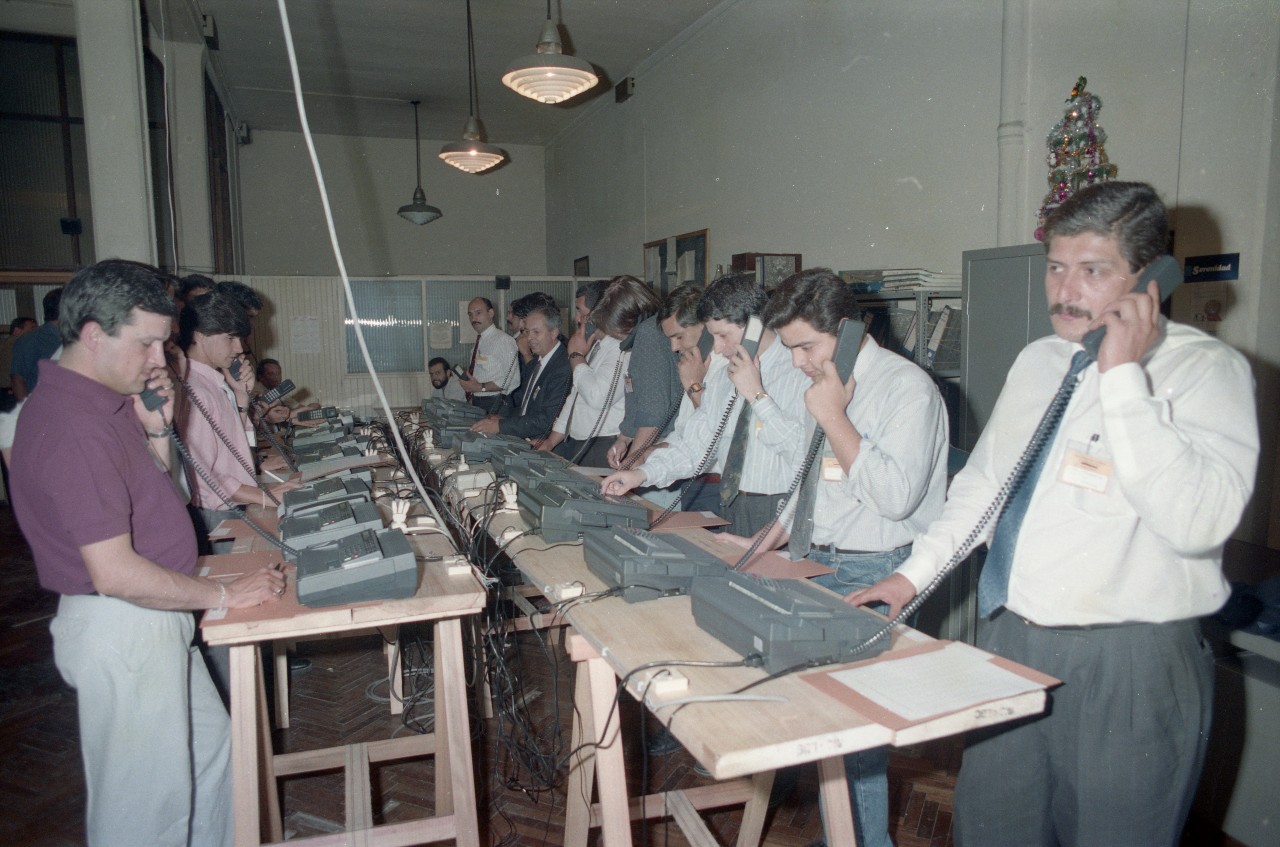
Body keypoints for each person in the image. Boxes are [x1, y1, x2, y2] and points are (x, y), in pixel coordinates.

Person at [852, 182, 1259, 847]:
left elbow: (1197, 523)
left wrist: (1124, 376)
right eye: (1057, 266)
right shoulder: (1039, 362)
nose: (1065, 289)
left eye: (1092, 269)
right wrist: (911, 577)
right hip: (1015, 641)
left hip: (1129, 661)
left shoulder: (1205, 373)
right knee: (991, 829)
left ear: (1150, 277)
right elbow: (983, 487)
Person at [9, 258, 285, 846]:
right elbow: (114, 573)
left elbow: (161, 494)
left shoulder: (104, 405)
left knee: (214, 761)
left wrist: (159, 430)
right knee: (146, 809)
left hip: (155, 617)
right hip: (126, 625)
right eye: (148, 344)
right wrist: (223, 593)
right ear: (92, 335)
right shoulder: (71, 425)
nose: (161, 361)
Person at [739, 268, 950, 847]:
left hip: (873, 572)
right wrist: (767, 540)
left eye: (807, 346)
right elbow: (811, 483)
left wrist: (833, 416)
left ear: (850, 330)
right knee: (822, 719)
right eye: (790, 349)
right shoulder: (829, 379)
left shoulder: (907, 389)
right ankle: (842, 834)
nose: (800, 361)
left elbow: (894, 497)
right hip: (816, 560)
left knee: (857, 733)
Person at [602, 272, 808, 536]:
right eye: (713, 337)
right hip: (732, 503)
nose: (719, 348)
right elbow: (694, 445)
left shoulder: (797, 371)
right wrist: (640, 475)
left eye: (723, 336)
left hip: (780, 510)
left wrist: (757, 396)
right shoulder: (726, 378)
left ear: (755, 325)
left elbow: (803, 455)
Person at [177, 291, 296, 549]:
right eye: (230, 338)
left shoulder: (214, 383)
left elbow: (237, 446)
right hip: (215, 515)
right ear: (200, 335)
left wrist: (241, 397)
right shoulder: (194, 390)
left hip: (233, 502)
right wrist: (265, 496)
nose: (239, 348)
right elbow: (205, 476)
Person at [600, 276, 683, 472]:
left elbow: (653, 413)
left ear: (633, 319)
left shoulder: (648, 335)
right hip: (658, 445)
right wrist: (624, 439)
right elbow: (640, 399)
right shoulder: (653, 331)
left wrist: (631, 462)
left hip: (659, 452)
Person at [657, 283, 728, 512]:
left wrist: (694, 385)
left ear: (704, 327)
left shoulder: (727, 365)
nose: (674, 347)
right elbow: (685, 431)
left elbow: (719, 431)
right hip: (692, 480)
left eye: (678, 336)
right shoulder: (695, 364)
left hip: (717, 486)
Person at [539, 280, 626, 466]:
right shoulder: (595, 347)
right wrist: (551, 441)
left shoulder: (620, 349)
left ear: (599, 313)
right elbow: (575, 398)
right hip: (580, 441)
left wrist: (576, 356)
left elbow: (597, 397)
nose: (578, 319)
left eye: (580, 311)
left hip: (604, 443)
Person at [470, 302, 571, 441]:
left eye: (536, 332)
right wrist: (505, 419)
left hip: (545, 444)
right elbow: (528, 406)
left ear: (553, 332)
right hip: (525, 436)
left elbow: (546, 420)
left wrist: (501, 426)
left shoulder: (563, 366)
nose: (529, 338)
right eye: (527, 332)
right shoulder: (537, 361)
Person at [457, 296, 520, 414]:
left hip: (497, 403)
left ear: (490, 313)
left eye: (478, 313)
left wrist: (480, 387)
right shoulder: (481, 341)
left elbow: (513, 380)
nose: (473, 319)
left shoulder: (503, 340)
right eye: (470, 314)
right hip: (478, 401)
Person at [11, 287, 63, 400]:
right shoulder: (31, 340)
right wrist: (24, 413)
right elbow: (18, 379)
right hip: (42, 409)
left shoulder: (74, 339)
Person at [1, 316, 36, 402]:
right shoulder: (19, 345)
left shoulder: (6, 344)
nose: (36, 332)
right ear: (17, 331)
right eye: (32, 328)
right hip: (13, 394)